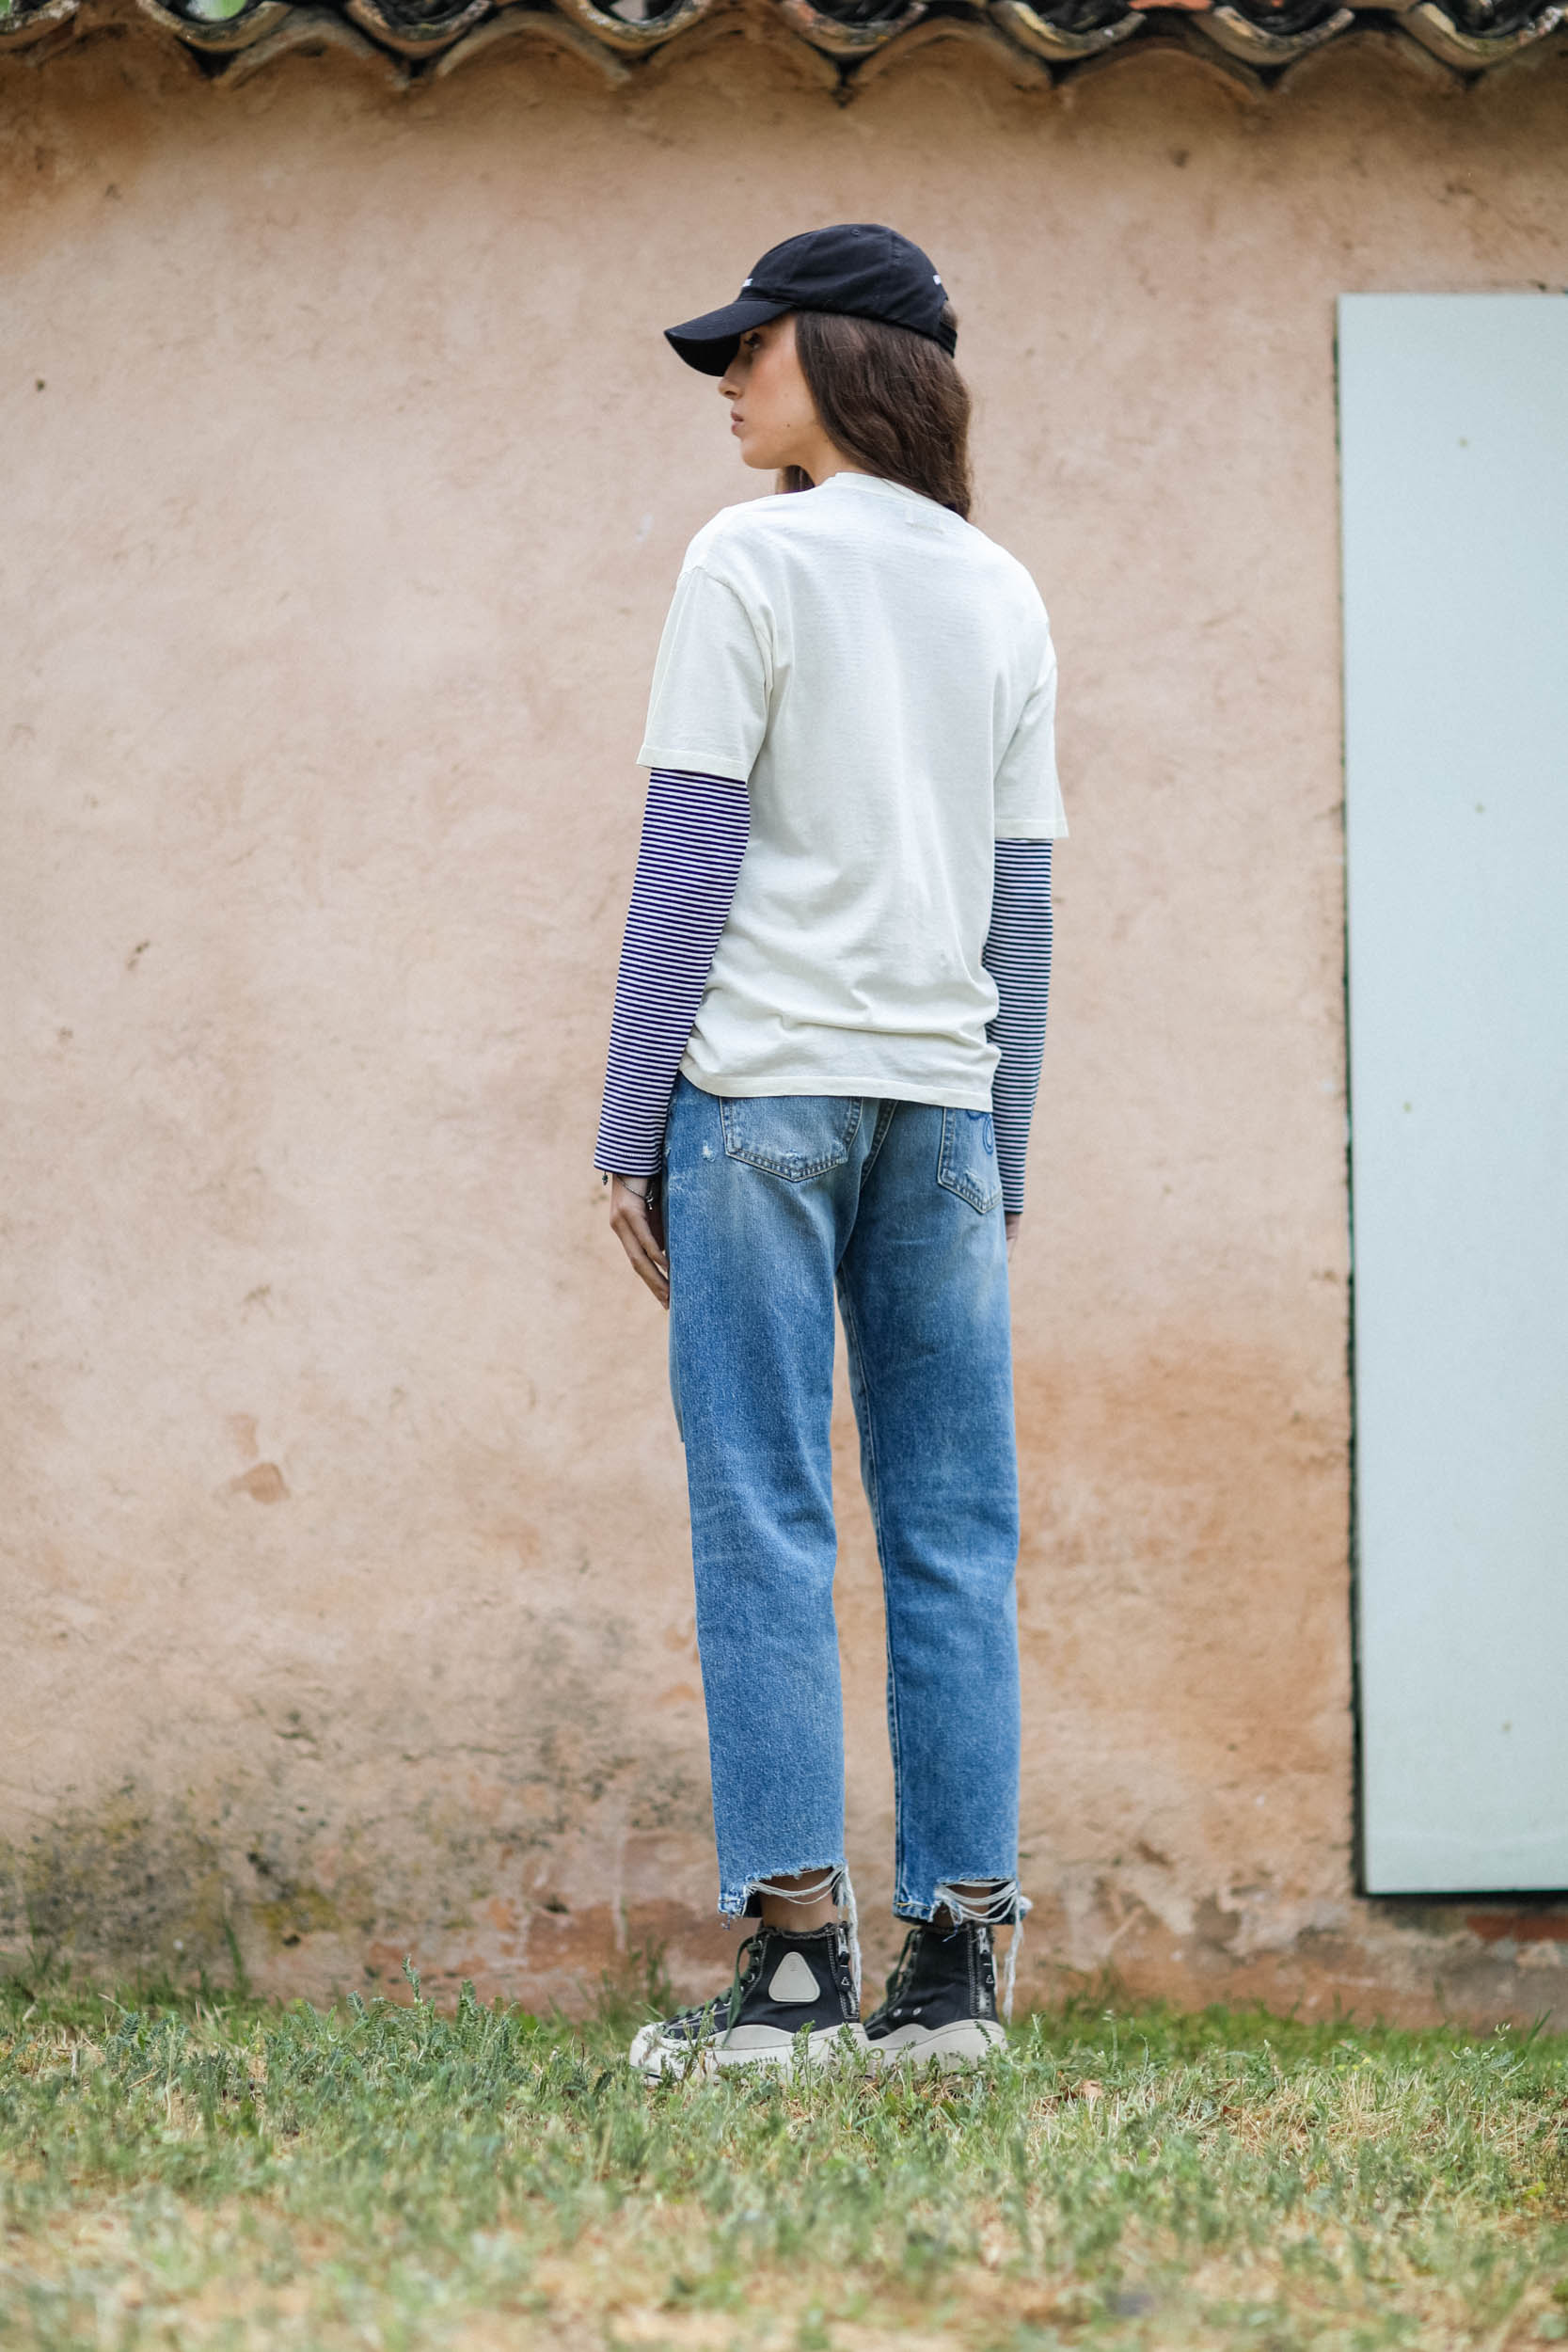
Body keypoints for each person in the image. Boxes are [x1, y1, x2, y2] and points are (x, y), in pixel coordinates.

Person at [593, 224, 1066, 2077]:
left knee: (765, 1514)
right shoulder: (1003, 588)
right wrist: (993, 1160)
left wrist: (630, 1129)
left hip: (764, 1096)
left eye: (752, 346)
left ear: (851, 358)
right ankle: (955, 1975)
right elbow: (1021, 910)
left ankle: (797, 1969)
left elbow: (687, 857)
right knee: (955, 1528)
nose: (726, 376)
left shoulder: (750, 556)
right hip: (941, 1103)